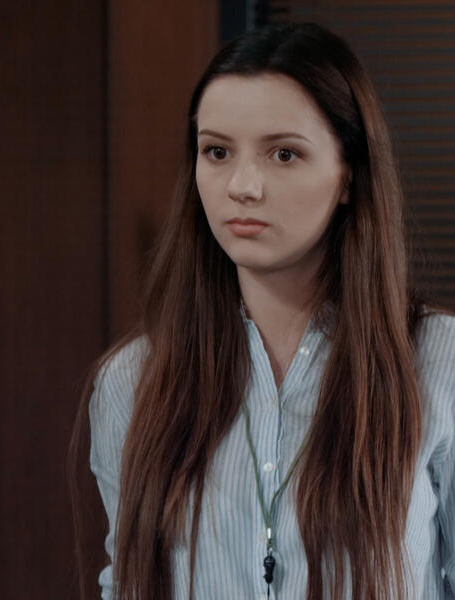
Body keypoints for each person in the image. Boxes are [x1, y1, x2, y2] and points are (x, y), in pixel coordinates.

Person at [71, 21, 455, 600]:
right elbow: (127, 584)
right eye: (217, 151)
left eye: (284, 154)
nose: (242, 186)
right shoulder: (135, 379)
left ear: (348, 174)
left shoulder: (437, 361)